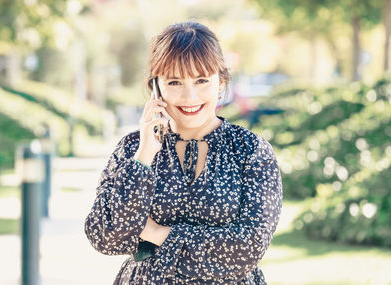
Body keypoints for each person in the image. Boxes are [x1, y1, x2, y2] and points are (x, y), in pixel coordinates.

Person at [84, 21, 283, 285]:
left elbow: (248, 248)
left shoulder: (250, 151)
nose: (189, 96)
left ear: (220, 83)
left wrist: (156, 233)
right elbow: (105, 236)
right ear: (155, 86)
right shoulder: (133, 149)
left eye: (201, 80)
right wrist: (144, 156)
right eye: (175, 82)